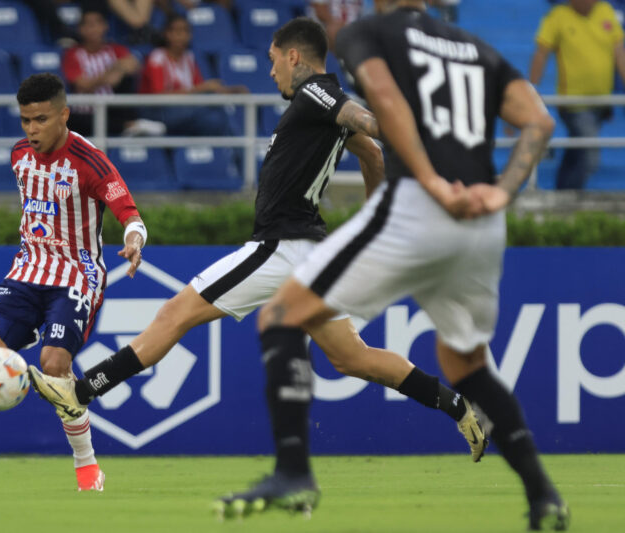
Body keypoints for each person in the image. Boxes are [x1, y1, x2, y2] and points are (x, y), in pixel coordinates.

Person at [27, 15, 488, 499]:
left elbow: (363, 124)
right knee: (352, 357)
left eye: (273, 62)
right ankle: (459, 406)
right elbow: (371, 156)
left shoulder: (316, 94)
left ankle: (79, 392)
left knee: (175, 313)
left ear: (293, 57)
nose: (271, 73)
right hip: (308, 253)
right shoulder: (319, 110)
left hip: (280, 247)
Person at [235, 0, 568, 529]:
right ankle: (543, 495)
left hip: (420, 207)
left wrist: (433, 182)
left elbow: (383, 104)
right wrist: (502, 195)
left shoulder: (369, 32)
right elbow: (539, 122)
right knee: (468, 366)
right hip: (481, 220)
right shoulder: (477, 49)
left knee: (280, 316)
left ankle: (294, 471)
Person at [0, 73, 147, 492]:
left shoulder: (91, 162)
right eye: (25, 120)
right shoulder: (19, 154)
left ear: (64, 115)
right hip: (28, 270)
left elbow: (129, 213)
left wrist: (133, 242)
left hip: (77, 273)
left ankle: (87, 465)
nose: (32, 129)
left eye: (40, 119)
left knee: (54, 364)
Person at [530, 0, 625, 189]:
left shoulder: (605, 11)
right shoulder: (558, 16)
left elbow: (619, 52)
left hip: (601, 102)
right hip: (573, 103)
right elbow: (541, 53)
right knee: (589, 156)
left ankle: (562, 190)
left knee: (577, 150)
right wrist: (532, 89)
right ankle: (572, 200)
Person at [62, 6, 166, 136]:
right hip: (85, 112)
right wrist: (110, 73)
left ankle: (129, 124)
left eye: (98, 23)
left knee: (127, 81)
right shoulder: (73, 54)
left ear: (105, 26)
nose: (94, 29)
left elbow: (133, 64)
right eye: (89, 25)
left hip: (113, 109)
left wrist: (118, 70)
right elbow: (83, 85)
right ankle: (130, 125)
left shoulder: (115, 49)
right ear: (81, 29)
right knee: (71, 120)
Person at [138, 13, 247, 136]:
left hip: (186, 111)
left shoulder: (189, 58)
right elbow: (159, 97)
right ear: (166, 34)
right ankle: (245, 152)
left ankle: (231, 154)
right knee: (214, 104)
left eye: (185, 31)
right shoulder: (157, 58)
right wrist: (205, 89)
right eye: (176, 31)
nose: (181, 36)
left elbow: (198, 91)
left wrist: (228, 91)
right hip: (158, 111)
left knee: (216, 120)